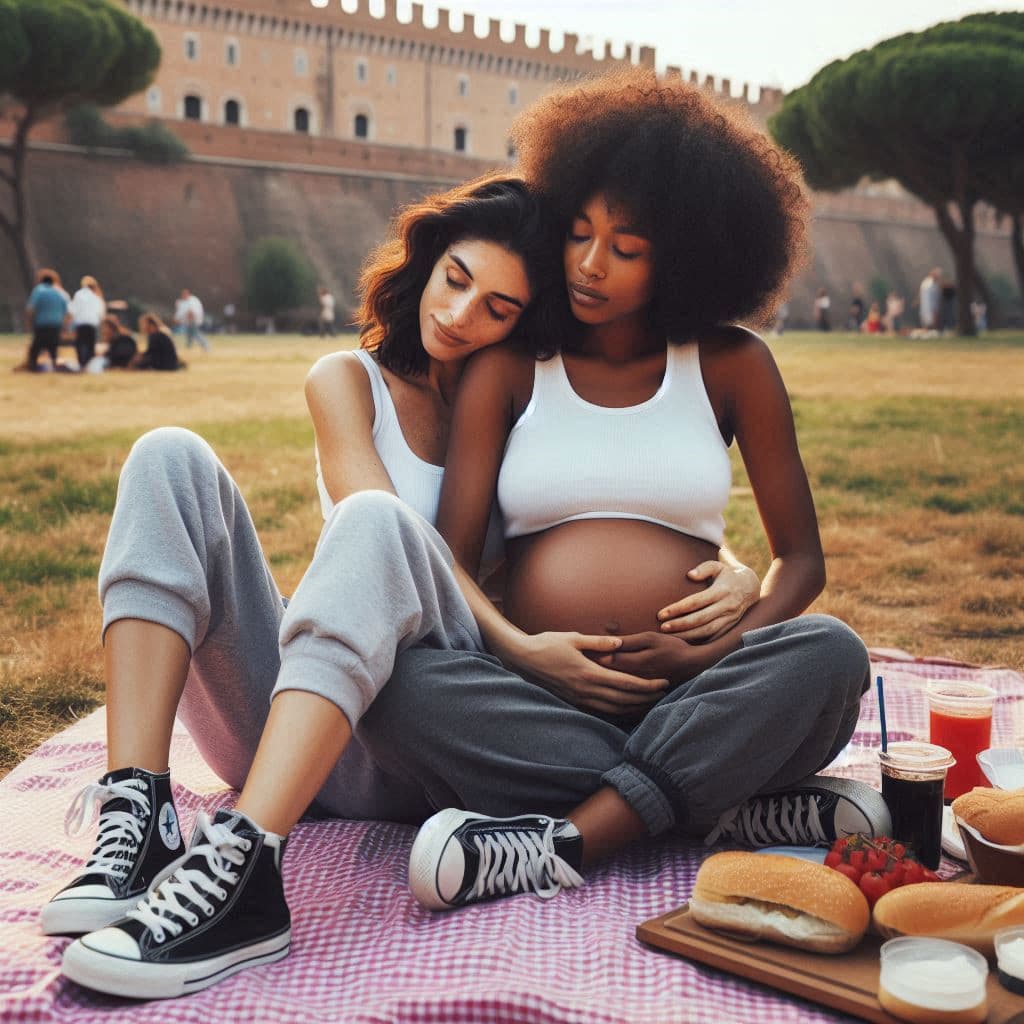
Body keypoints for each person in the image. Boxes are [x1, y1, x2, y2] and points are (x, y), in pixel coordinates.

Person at [46, 173, 763, 998]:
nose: (460, 316)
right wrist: (523, 644)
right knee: (171, 454)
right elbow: (374, 519)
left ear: (528, 320)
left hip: (425, 719)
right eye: (457, 279)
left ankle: (246, 872)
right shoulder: (345, 379)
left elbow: (631, 510)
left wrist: (735, 566)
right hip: (292, 717)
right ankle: (140, 818)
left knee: (380, 530)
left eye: (498, 307)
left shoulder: (532, 405)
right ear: (426, 260)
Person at [371, 68, 884, 913]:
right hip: (536, 695)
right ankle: (720, 804)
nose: (591, 265)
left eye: (629, 248)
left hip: (698, 688)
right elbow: (449, 559)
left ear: (685, 256)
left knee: (830, 655)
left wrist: (713, 651)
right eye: (577, 234)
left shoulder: (732, 365)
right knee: (399, 690)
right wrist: (520, 650)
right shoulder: (508, 367)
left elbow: (800, 559)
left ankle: (566, 840)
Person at [23, 269, 69, 371]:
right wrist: (64, 327)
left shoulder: (39, 290)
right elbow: (67, 312)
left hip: (42, 325)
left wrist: (28, 323)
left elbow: (31, 309)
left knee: (35, 349)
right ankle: (55, 367)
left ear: (41, 280)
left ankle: (32, 368)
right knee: (53, 349)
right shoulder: (60, 292)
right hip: (56, 326)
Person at [69, 276, 106, 368]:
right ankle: (89, 364)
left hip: (80, 324)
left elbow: (72, 310)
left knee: (80, 344)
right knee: (90, 345)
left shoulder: (78, 294)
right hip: (92, 324)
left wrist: (70, 325)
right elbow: (101, 313)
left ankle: (81, 363)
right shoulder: (97, 296)